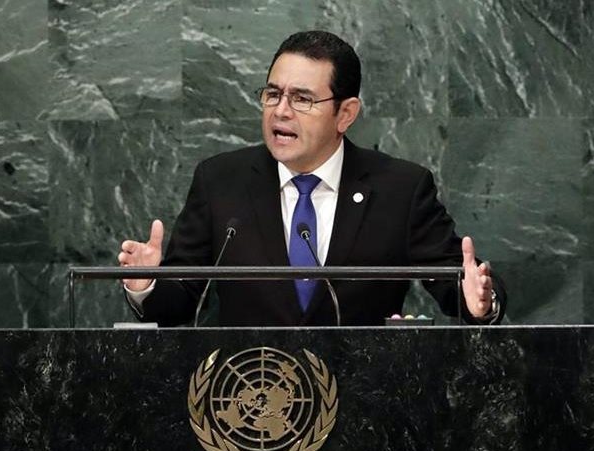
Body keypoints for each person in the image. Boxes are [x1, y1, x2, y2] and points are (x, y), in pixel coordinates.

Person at [118, 30, 507, 327]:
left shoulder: (399, 189)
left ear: (345, 114)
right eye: (272, 94)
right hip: (248, 405)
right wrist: (146, 286)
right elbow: (181, 301)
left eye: (302, 99)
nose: (281, 111)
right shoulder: (221, 181)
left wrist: (478, 301)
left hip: (365, 407)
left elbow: (460, 283)